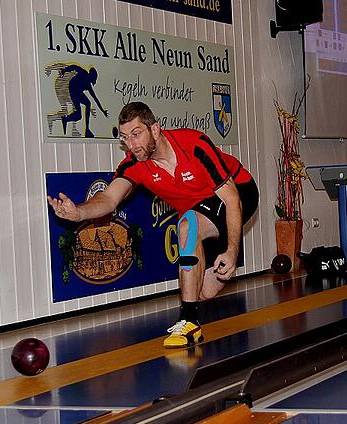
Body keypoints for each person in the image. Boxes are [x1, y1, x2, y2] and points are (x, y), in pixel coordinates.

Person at [47, 102, 259, 349]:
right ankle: (195, 313)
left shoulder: (195, 145)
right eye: (125, 138)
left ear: (155, 130)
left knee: (186, 226)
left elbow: (232, 198)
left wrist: (233, 250)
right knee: (202, 292)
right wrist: (78, 213)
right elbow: (108, 198)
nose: (131, 144)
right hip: (201, 210)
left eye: (136, 134)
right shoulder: (135, 164)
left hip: (239, 192)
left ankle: (188, 321)